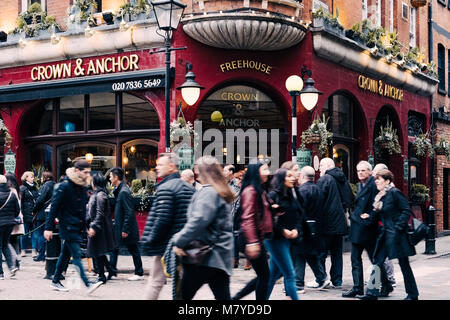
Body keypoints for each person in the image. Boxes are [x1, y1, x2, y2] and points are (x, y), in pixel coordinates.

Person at [173, 156, 235, 300]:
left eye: (198, 171)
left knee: (183, 296)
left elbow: (198, 221)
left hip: (204, 256)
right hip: (221, 256)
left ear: (204, 172)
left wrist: (179, 241)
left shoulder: (208, 192)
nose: (197, 174)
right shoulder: (221, 191)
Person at [358, 169, 419, 300]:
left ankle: (413, 294)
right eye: (375, 179)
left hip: (398, 236)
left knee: (404, 264)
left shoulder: (395, 193)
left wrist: (398, 227)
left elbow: (405, 210)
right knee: (377, 261)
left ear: (387, 181)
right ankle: (372, 293)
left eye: (378, 179)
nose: (376, 182)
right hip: (385, 235)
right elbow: (378, 212)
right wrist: (368, 216)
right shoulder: (382, 195)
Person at [141, 153, 195, 300]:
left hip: (166, 245)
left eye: (160, 164)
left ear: (171, 167)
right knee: (181, 283)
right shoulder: (189, 188)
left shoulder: (166, 188)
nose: (156, 167)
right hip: (184, 244)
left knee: (155, 281)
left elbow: (162, 220)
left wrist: (149, 240)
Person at [44, 160, 103, 294]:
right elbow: (54, 207)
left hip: (77, 227)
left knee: (65, 254)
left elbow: (82, 209)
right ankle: (88, 284)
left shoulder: (82, 186)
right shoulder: (64, 186)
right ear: (77, 171)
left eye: (89, 172)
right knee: (76, 255)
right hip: (67, 227)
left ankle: (55, 280)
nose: (88, 175)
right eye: (85, 172)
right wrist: (48, 228)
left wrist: (86, 227)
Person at [232, 162, 273, 300]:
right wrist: (252, 242)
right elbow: (248, 218)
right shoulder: (250, 191)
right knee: (265, 275)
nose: (268, 172)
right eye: (265, 169)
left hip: (256, 237)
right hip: (250, 238)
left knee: (263, 275)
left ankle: (237, 297)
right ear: (256, 172)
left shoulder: (259, 190)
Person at [342, 161, 381, 298]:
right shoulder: (359, 185)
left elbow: (378, 205)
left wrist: (370, 217)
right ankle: (357, 287)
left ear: (370, 172)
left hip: (368, 229)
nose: (360, 173)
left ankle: (385, 286)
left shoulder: (374, 185)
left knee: (375, 260)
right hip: (358, 227)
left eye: (363, 170)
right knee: (355, 259)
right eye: (358, 171)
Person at [314, 158, 354, 289]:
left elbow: (318, 201)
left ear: (329, 166)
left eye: (321, 165)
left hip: (326, 223)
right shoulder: (343, 179)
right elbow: (350, 199)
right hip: (340, 223)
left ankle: (321, 279)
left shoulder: (325, 179)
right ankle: (337, 280)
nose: (319, 168)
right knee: (337, 254)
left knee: (321, 253)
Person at [291, 166, 329, 293]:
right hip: (316, 227)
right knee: (310, 254)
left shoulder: (301, 191)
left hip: (304, 227)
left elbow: (299, 211)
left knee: (299, 254)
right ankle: (322, 277)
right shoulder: (318, 189)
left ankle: (298, 284)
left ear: (302, 176)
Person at [266, 168, 301, 300]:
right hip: (275, 240)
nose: (293, 178)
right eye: (289, 176)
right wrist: (282, 230)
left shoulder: (291, 194)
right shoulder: (273, 196)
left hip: (286, 240)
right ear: (282, 179)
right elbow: (267, 219)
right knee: (290, 274)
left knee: (272, 275)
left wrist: (296, 229)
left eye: (293, 175)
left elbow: (298, 215)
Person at [109, 167, 144, 281]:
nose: (109, 178)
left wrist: (125, 229)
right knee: (115, 248)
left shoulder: (124, 192)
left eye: (110, 176)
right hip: (121, 226)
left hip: (125, 228)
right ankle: (112, 272)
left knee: (133, 249)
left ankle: (139, 273)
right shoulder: (120, 190)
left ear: (116, 177)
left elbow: (129, 212)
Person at [86, 174, 116, 284]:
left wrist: (94, 226)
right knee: (99, 251)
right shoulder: (97, 193)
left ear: (96, 182)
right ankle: (110, 270)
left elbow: (100, 212)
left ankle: (101, 276)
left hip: (99, 227)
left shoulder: (100, 195)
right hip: (97, 226)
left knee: (97, 251)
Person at [372, 163, 397, 287]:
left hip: (388, 231)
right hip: (382, 230)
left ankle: (387, 281)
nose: (374, 177)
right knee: (378, 259)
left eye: (377, 175)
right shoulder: (380, 192)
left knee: (381, 259)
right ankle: (378, 286)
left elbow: (403, 211)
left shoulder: (392, 192)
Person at [31, 171, 55, 262]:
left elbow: (40, 200)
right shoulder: (55, 185)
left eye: (42, 177)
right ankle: (49, 253)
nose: (41, 179)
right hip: (51, 213)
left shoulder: (46, 186)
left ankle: (41, 255)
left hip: (42, 213)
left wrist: (34, 210)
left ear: (46, 178)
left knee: (40, 234)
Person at [0, 175, 21, 279]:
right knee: (5, 245)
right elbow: (17, 210)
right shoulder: (12, 194)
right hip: (9, 224)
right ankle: (12, 267)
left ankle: (0, 273)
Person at [19, 171, 39, 257]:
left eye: (33, 177)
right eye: (31, 177)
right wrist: (20, 213)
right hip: (25, 213)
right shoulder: (22, 188)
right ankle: (23, 250)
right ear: (26, 178)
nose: (33, 178)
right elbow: (19, 201)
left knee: (35, 232)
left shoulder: (35, 188)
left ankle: (34, 250)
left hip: (34, 213)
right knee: (25, 233)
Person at [5, 173, 22, 270]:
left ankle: (14, 261)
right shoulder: (17, 189)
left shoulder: (11, 190)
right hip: (16, 218)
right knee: (14, 240)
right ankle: (16, 261)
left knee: (7, 241)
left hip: (11, 218)